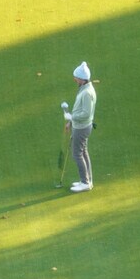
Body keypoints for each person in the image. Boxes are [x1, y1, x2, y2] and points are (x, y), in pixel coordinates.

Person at [61, 62, 97, 192]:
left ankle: (85, 182)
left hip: (81, 128)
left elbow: (86, 113)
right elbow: (79, 110)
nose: (74, 79)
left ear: (82, 79)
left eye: (76, 77)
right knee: (83, 152)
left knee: (77, 154)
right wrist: (71, 122)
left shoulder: (86, 93)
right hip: (81, 126)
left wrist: (72, 118)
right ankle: (88, 180)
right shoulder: (84, 88)